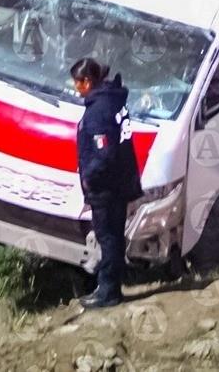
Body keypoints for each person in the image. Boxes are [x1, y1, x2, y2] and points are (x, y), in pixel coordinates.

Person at [71, 57, 143, 308]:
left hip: (107, 187)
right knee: (114, 235)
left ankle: (108, 291)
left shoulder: (99, 112)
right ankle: (109, 286)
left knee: (108, 236)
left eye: (78, 83)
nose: (75, 88)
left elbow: (104, 153)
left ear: (88, 82)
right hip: (120, 181)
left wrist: (89, 177)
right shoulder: (112, 102)